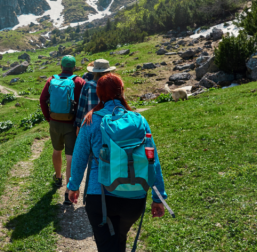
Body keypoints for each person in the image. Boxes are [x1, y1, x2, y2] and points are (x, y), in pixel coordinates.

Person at [67, 73, 167, 252]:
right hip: (134, 197)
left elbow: (79, 157)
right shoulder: (139, 120)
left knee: (107, 245)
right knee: (120, 239)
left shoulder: (91, 120)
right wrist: (158, 197)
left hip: (100, 196)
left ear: (99, 94)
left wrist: (73, 186)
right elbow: (152, 160)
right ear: (122, 91)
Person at [40, 55, 85, 205]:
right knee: (70, 157)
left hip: (55, 122)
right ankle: (67, 192)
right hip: (72, 124)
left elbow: (42, 100)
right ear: (74, 67)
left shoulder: (51, 80)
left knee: (56, 150)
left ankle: (58, 177)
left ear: (61, 66)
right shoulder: (78, 81)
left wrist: (48, 118)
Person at [75, 60, 116, 135]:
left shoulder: (88, 85)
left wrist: (78, 124)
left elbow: (81, 107)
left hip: (92, 123)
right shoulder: (115, 86)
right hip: (111, 124)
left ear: (95, 72)